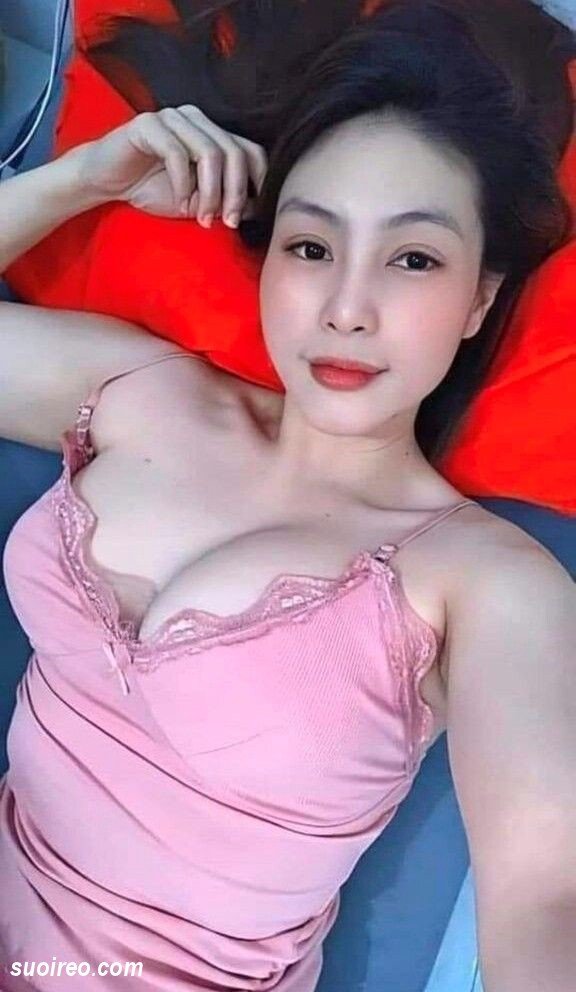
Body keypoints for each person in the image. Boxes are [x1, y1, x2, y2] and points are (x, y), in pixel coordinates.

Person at [0, 2, 575, 989]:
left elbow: (548, 898)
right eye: (312, 247)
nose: (348, 308)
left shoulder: (483, 580)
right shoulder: (140, 393)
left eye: (414, 259)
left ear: (480, 298)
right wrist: (80, 179)